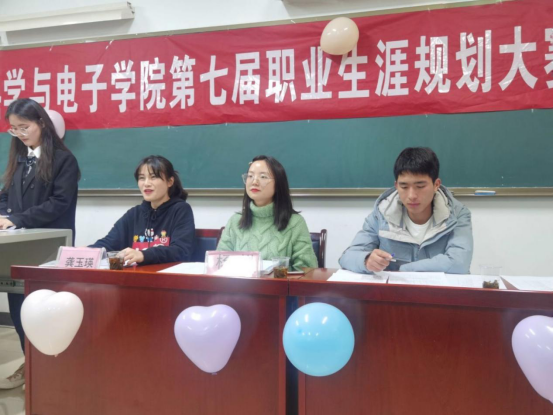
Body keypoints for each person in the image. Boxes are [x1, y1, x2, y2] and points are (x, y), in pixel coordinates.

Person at [0, 98, 80, 389]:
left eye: (25, 127)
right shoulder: (20, 158)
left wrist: (16, 219)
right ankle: (30, 365)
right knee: (19, 309)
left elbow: (59, 204)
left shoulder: (64, 160)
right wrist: (3, 215)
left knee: (44, 312)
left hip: (48, 247)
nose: (20, 134)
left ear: (42, 124)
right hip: (18, 248)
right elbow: (5, 195)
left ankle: (49, 373)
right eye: (14, 129)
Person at [339, 147, 473, 274]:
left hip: (439, 290)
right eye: (404, 186)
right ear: (396, 185)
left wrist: (403, 270)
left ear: (436, 185)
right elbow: (348, 257)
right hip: (395, 290)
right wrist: (366, 260)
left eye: (420, 186)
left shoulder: (457, 214)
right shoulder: (381, 214)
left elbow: (459, 263)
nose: (412, 196)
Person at [217, 155, 318, 270]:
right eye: (250, 176)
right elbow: (218, 265)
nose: (254, 182)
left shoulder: (295, 223)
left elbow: (307, 271)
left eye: (263, 177)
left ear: (278, 184)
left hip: (280, 282)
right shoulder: (235, 221)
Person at [90, 155, 195, 265]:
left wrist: (144, 255)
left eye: (153, 177)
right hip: (136, 275)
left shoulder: (181, 210)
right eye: (142, 178)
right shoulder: (134, 214)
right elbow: (108, 243)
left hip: (167, 275)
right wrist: (85, 251)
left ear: (170, 182)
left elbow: (181, 251)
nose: (146, 183)